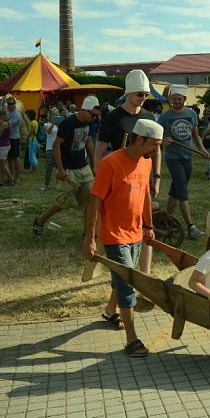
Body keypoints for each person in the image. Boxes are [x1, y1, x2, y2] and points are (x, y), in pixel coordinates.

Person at [82, 119, 163, 358]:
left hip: (136, 233)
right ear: (139, 139)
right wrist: (90, 238)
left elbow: (146, 195)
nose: (156, 150)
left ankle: (110, 310)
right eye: (154, 145)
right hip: (114, 235)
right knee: (128, 283)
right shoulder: (110, 164)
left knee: (123, 277)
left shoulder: (145, 163)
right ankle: (132, 340)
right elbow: (94, 201)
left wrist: (148, 225)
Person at [95, 70, 161, 274]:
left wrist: (156, 177)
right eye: (139, 94)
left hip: (142, 178)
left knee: (146, 226)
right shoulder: (113, 118)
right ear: (129, 93)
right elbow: (99, 149)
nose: (143, 98)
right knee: (112, 226)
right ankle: (106, 262)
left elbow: (156, 149)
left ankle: (145, 275)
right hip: (117, 179)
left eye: (146, 95)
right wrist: (100, 177)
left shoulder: (149, 117)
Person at [33, 96, 100, 236]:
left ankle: (88, 232)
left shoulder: (88, 123)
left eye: (96, 116)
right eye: (92, 115)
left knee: (91, 199)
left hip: (84, 167)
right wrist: (61, 170)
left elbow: (88, 142)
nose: (94, 118)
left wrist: (95, 165)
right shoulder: (68, 123)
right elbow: (56, 145)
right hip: (69, 169)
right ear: (84, 110)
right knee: (65, 202)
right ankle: (40, 220)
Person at [158, 86, 208, 240]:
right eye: (174, 98)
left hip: (188, 156)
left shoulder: (191, 114)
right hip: (173, 157)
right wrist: (164, 141)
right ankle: (191, 226)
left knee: (176, 190)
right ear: (171, 99)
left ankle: (166, 220)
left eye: (179, 98)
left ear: (185, 100)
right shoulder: (165, 117)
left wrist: (202, 149)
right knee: (182, 191)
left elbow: (195, 135)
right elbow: (158, 138)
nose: (176, 101)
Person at [5, 95, 25, 184]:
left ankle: (16, 177)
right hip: (8, 138)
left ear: (15, 104)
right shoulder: (7, 112)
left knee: (15, 158)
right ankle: (11, 176)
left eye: (11, 103)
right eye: (8, 103)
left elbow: (8, 125)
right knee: (9, 158)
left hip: (14, 138)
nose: (9, 105)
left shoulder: (17, 114)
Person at [0, 110, 13, 187]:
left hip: (3, 145)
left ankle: (10, 180)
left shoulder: (4, 124)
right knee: (4, 164)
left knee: (3, 165)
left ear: (1, 115)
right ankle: (3, 181)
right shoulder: (8, 122)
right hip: (7, 144)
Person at [41, 108, 61, 190]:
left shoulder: (59, 125)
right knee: (48, 168)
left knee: (59, 168)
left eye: (56, 114)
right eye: (54, 114)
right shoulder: (46, 124)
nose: (55, 116)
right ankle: (46, 185)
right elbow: (48, 132)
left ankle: (58, 185)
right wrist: (53, 123)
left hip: (58, 148)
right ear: (50, 115)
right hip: (49, 148)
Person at [26, 109, 39, 173]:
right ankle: (33, 169)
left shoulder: (32, 122)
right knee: (33, 154)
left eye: (28, 114)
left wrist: (27, 138)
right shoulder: (36, 122)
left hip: (32, 140)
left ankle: (35, 169)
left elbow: (31, 132)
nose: (27, 116)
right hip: (35, 140)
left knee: (32, 155)